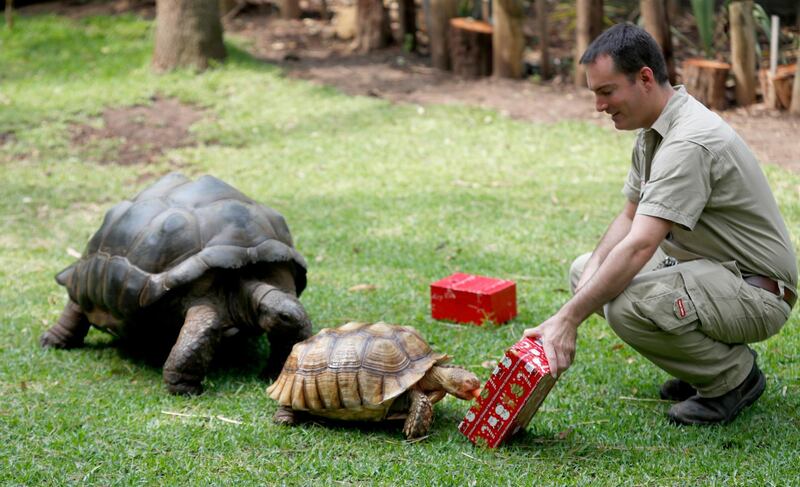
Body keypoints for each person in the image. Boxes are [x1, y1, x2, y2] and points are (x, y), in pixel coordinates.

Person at [523, 23, 797, 425]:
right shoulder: (654, 132)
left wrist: (567, 320)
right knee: (587, 272)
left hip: (756, 291)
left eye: (606, 92)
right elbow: (630, 216)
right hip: (710, 271)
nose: (599, 106)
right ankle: (700, 364)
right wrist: (580, 296)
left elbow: (639, 246)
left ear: (645, 78)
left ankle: (732, 378)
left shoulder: (689, 142)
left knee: (628, 304)